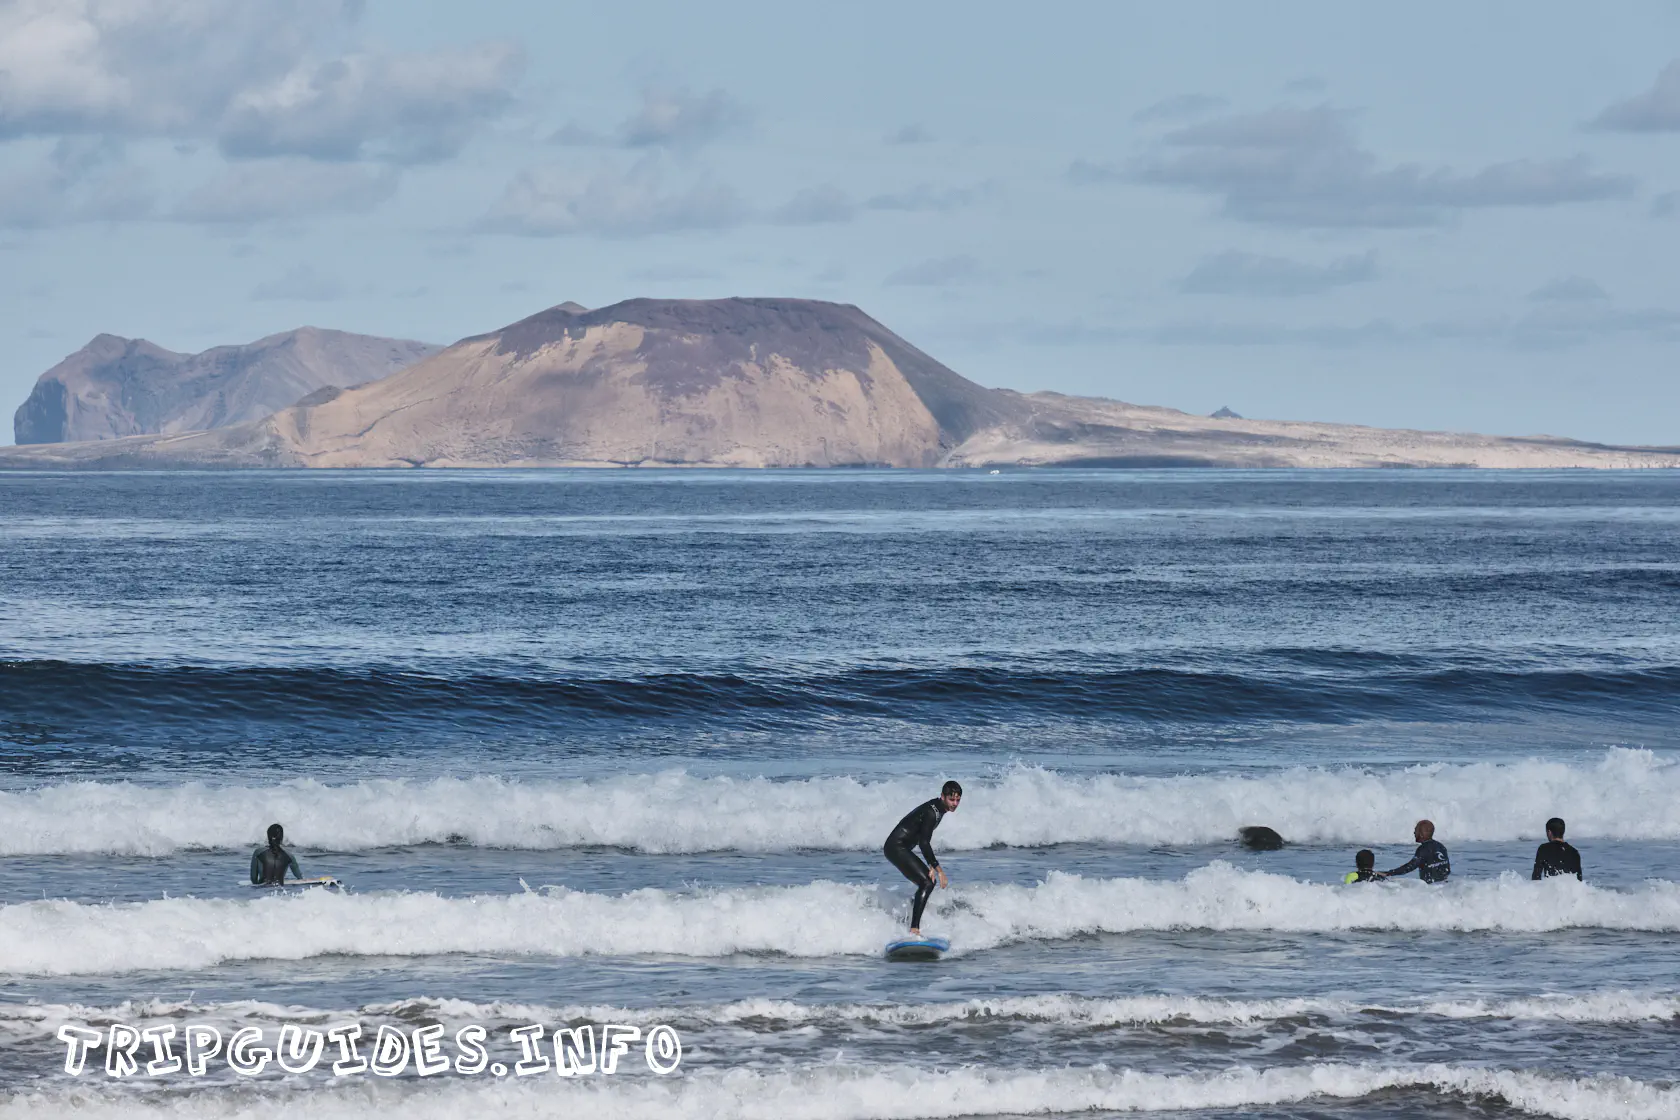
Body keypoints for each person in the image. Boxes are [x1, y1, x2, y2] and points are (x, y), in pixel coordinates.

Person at [883, 781, 961, 935]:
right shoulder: (933, 812)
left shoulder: (938, 809)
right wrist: (938, 869)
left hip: (900, 847)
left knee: (925, 882)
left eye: (958, 800)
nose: (955, 803)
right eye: (952, 799)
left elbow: (922, 839)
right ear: (943, 797)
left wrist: (930, 866)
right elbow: (924, 843)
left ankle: (908, 917)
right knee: (927, 882)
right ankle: (914, 929)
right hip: (896, 847)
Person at [1382, 819, 1451, 883]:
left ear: (1421, 834)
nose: (1414, 833)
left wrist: (1389, 873)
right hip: (1444, 885)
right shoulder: (1441, 846)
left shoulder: (1423, 849)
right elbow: (1447, 869)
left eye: (1416, 830)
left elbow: (1410, 867)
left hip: (1429, 888)